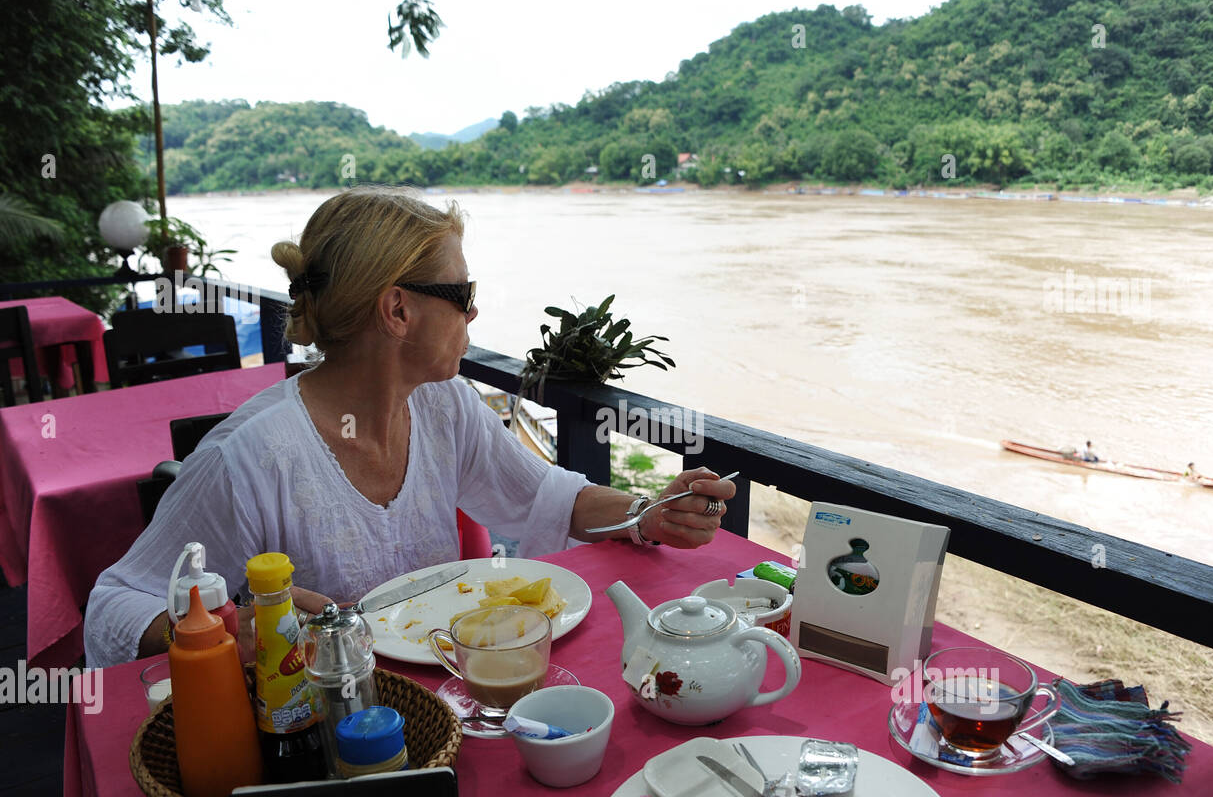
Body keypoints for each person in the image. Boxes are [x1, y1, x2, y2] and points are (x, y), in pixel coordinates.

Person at [83, 187, 734, 668]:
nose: (475, 310)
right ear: (397, 309)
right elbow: (114, 604)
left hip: (448, 705)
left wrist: (647, 513)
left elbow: (542, 495)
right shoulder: (250, 459)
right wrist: (225, 630)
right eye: (461, 293)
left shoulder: (442, 404)